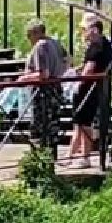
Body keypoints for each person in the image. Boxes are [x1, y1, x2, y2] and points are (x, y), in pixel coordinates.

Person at [67, 12, 112, 168]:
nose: (84, 33)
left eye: (85, 29)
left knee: (84, 123)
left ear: (94, 30)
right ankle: (70, 156)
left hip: (88, 90)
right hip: (95, 89)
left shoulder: (95, 47)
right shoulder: (106, 44)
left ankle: (84, 157)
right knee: (79, 124)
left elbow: (89, 70)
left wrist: (76, 81)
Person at [18, 19, 67, 153]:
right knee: (53, 126)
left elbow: (43, 74)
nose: (29, 40)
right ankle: (52, 155)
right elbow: (67, 60)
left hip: (43, 93)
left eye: (29, 36)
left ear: (35, 33)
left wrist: (24, 78)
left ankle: (40, 157)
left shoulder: (40, 46)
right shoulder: (56, 43)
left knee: (40, 127)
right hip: (56, 88)